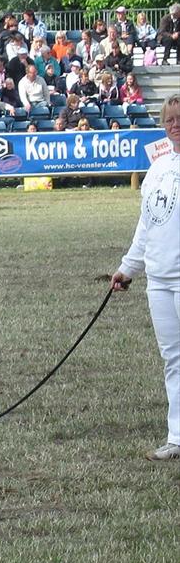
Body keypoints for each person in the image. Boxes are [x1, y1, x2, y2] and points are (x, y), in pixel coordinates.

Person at [111, 95, 180, 461]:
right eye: (169, 119)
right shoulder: (157, 169)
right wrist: (128, 268)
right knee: (173, 359)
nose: (175, 125)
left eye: (179, 118)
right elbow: (147, 224)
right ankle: (177, 435)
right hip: (159, 280)